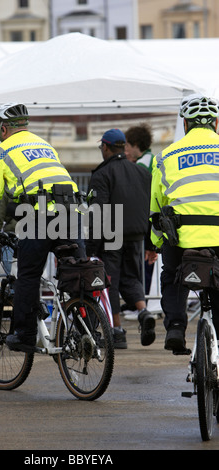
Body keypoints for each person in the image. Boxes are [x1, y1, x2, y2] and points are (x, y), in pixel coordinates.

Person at [0, 103, 85, 353]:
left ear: (3, 128)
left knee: (28, 275)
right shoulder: (45, 146)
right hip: (72, 211)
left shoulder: (0, 152)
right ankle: (88, 328)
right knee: (78, 272)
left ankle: (24, 334)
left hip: (40, 216)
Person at [150, 93, 219, 353]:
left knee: (172, 275)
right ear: (215, 123)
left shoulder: (166, 156)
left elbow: (157, 206)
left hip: (182, 237)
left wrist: (157, 241)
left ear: (186, 124)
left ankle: (176, 327)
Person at [86, 128, 157, 349]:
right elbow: (151, 208)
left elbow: (99, 213)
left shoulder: (102, 175)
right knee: (133, 278)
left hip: (112, 235)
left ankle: (117, 331)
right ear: (123, 146)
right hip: (137, 235)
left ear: (106, 147)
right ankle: (143, 312)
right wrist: (150, 242)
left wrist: (90, 249)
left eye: (101, 147)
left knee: (111, 282)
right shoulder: (142, 173)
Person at [124, 123, 156, 311]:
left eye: (127, 145)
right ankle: (140, 303)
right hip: (148, 218)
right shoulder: (149, 159)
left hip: (145, 219)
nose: (126, 150)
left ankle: (140, 305)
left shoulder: (143, 163)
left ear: (136, 144)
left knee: (143, 264)